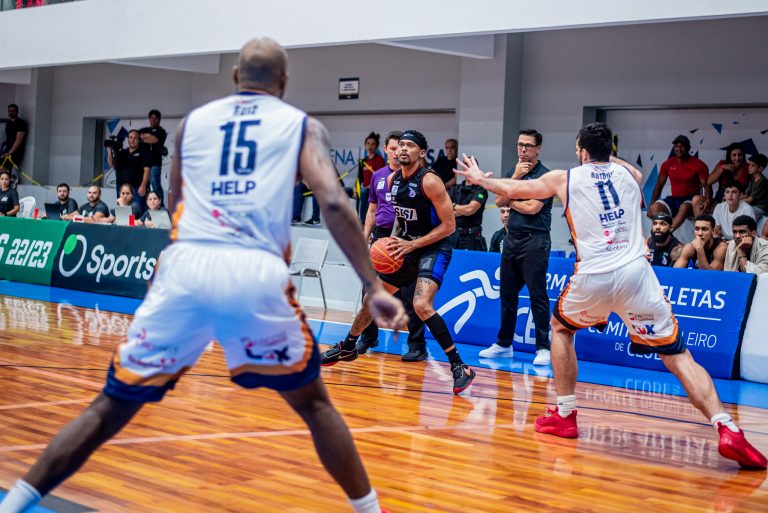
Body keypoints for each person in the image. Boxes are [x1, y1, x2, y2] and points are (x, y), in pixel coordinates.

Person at [0, 38, 405, 513]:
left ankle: (15, 502)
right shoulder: (300, 125)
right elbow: (334, 203)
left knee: (110, 406)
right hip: (253, 270)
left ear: (235, 77)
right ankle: (368, 510)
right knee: (314, 406)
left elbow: (175, 201)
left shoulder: (195, 122)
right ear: (284, 81)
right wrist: (373, 286)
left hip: (186, 266)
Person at [455, 122, 766, 469]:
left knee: (561, 329)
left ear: (582, 152)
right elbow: (629, 170)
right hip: (637, 276)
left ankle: (565, 414)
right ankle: (727, 427)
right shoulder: (630, 176)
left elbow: (514, 188)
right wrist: (607, 154)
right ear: (609, 152)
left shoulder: (564, 178)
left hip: (595, 276)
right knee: (679, 356)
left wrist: (479, 178)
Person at [321, 130, 477, 395]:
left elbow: (449, 226)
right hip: (408, 246)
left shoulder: (430, 181)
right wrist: (393, 243)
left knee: (421, 304)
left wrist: (411, 245)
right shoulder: (393, 180)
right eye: (401, 144)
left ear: (422, 153)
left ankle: (459, 366)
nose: (403, 149)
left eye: (410, 145)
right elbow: (402, 220)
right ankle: (348, 346)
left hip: (434, 247)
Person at [478, 129, 552, 366]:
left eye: (528, 146)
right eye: (520, 144)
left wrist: (511, 198)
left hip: (535, 240)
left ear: (538, 149)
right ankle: (504, 344)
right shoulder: (513, 171)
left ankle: (543, 347)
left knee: (537, 295)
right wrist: (517, 178)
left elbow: (533, 208)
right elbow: (499, 201)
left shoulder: (545, 176)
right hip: (512, 239)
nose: (523, 149)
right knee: (507, 294)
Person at [358, 130, 426, 360]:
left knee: (410, 293)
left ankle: (417, 345)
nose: (398, 152)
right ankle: (368, 337)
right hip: (380, 238)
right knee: (369, 290)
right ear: (386, 149)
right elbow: (372, 210)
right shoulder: (378, 176)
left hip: (402, 238)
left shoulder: (412, 176)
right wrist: (365, 237)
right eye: (394, 148)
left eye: (401, 148)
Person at [648, 135, 709, 231]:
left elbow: (707, 185)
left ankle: (668, 231)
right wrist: (651, 205)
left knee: (684, 207)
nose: (679, 149)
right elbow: (659, 185)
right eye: (676, 146)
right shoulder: (667, 164)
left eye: (682, 146)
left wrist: (707, 201)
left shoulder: (699, 165)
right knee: (656, 207)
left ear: (689, 148)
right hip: (674, 199)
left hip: (690, 200)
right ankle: (658, 234)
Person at [107, 129, 150, 213]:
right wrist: (109, 150)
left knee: (137, 210)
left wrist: (143, 185)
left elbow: (147, 170)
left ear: (139, 139)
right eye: (130, 137)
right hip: (122, 187)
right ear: (128, 139)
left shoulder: (144, 153)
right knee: (122, 211)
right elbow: (111, 164)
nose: (132, 140)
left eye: (135, 138)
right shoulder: (122, 152)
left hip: (137, 187)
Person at [448, 173, 488, 251]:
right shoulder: (454, 189)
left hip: (472, 236)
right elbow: (447, 212)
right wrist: (465, 211)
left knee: (472, 259)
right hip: (455, 235)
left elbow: (470, 210)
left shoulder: (480, 189)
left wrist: (454, 206)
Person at [139, 109, 168, 205]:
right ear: (149, 119)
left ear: (159, 119)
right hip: (143, 164)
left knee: (156, 185)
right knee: (144, 186)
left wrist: (144, 137)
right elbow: (137, 136)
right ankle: (147, 207)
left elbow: (154, 139)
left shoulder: (161, 131)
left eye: (155, 118)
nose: (153, 120)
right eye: (151, 118)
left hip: (155, 163)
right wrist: (146, 136)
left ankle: (160, 206)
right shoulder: (144, 130)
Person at [356, 132, 386, 224]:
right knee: (344, 190)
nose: (370, 146)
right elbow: (359, 178)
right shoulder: (363, 161)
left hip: (374, 190)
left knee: (363, 192)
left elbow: (381, 179)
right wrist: (355, 188)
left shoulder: (380, 160)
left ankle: (363, 222)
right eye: (368, 143)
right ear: (365, 145)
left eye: (373, 144)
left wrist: (369, 186)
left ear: (376, 146)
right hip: (364, 189)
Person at [2, 104, 28, 183]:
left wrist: (10, 152)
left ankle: (14, 179)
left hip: (16, 151)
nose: (11, 112)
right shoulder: (8, 123)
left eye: (13, 111)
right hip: (7, 149)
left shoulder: (21, 123)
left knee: (9, 166)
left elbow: (19, 139)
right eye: (9, 111)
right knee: (2, 167)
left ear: (17, 111)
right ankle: (10, 179)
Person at [743, 153, 768, 221]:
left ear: (760, 168)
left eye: (752, 165)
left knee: (745, 217)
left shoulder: (762, 181)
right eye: (749, 164)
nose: (749, 167)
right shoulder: (752, 179)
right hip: (752, 206)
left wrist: (735, 201)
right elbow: (746, 195)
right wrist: (734, 197)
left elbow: (749, 199)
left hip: (760, 208)